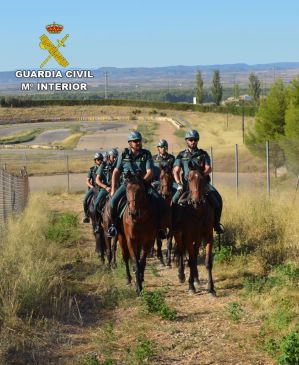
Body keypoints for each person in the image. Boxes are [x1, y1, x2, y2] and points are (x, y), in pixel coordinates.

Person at [107, 130, 168, 238]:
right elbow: (116, 171)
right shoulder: (123, 154)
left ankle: (159, 229)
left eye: (139, 141)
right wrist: (112, 189)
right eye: (135, 141)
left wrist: (142, 182)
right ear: (130, 143)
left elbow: (150, 172)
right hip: (127, 185)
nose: (138, 143)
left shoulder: (146, 154)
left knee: (161, 202)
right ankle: (114, 226)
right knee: (112, 203)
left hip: (143, 184)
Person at [172, 129, 224, 234]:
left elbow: (208, 168)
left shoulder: (203, 154)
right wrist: (179, 184)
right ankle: (174, 225)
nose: (193, 142)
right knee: (174, 201)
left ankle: (216, 224)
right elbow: (176, 171)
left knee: (217, 200)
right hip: (186, 186)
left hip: (202, 185)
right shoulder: (181, 155)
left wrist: (200, 177)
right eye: (190, 140)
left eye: (195, 140)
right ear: (186, 141)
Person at [93, 149, 118, 233]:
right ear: (108, 157)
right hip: (106, 188)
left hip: (117, 188)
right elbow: (97, 180)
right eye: (113, 157)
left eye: (116, 157)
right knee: (96, 204)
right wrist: (105, 187)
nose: (114, 159)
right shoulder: (103, 165)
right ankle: (97, 224)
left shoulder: (118, 165)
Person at [82, 152, 103, 223]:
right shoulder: (92, 170)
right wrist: (91, 187)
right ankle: (86, 215)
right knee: (85, 200)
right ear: (95, 160)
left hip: (102, 188)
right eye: (98, 159)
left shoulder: (105, 168)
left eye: (101, 159)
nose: (100, 161)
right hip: (94, 188)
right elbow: (87, 181)